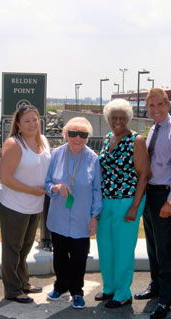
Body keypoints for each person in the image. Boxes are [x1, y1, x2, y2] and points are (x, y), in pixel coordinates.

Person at [135, 88, 171, 319]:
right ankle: (155, 286)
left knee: (166, 249)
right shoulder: (154, 129)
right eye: (151, 106)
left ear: (168, 105)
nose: (155, 109)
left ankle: (165, 300)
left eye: (160, 105)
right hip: (150, 194)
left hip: (165, 195)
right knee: (153, 246)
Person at [96, 99, 149, 308]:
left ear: (129, 118)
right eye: (113, 117)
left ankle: (123, 292)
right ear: (108, 119)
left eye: (122, 117)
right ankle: (109, 287)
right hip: (107, 201)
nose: (117, 121)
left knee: (124, 249)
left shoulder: (136, 140)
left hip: (127, 201)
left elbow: (144, 175)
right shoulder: (107, 137)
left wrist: (135, 207)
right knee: (106, 246)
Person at [44, 117, 102, 310]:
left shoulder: (93, 159)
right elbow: (47, 183)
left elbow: (97, 191)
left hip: (82, 219)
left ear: (87, 137)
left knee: (79, 257)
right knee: (59, 255)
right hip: (59, 217)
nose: (77, 138)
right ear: (65, 135)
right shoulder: (56, 154)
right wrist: (55, 187)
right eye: (73, 134)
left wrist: (94, 217)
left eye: (83, 134)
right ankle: (60, 286)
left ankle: (77, 291)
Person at [0, 104, 51, 304]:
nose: (32, 124)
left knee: (25, 247)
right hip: (14, 205)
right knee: (12, 249)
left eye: (35, 119)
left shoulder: (44, 140)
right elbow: (5, 178)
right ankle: (12, 290)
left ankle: (23, 282)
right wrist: (32, 191)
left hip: (35, 204)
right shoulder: (14, 143)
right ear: (18, 125)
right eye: (27, 121)